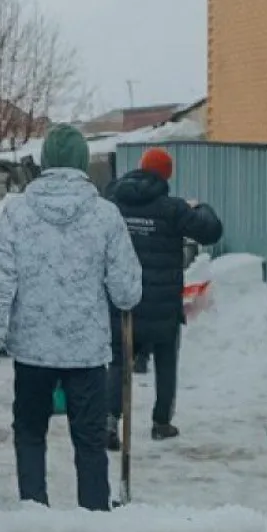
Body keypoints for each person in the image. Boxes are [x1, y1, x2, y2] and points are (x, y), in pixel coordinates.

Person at [0, 125, 143, 511]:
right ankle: (94, 517)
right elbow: (127, 292)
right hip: (86, 352)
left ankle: (34, 512)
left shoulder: (16, 212)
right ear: (83, 162)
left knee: (30, 433)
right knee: (89, 441)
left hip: (32, 350)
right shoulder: (106, 215)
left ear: (45, 162)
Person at [105, 147, 224, 446]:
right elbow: (211, 232)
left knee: (119, 362)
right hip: (163, 305)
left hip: (123, 301)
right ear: (167, 175)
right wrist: (200, 208)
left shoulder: (113, 202)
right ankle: (161, 422)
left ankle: (109, 422)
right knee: (166, 361)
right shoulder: (173, 209)